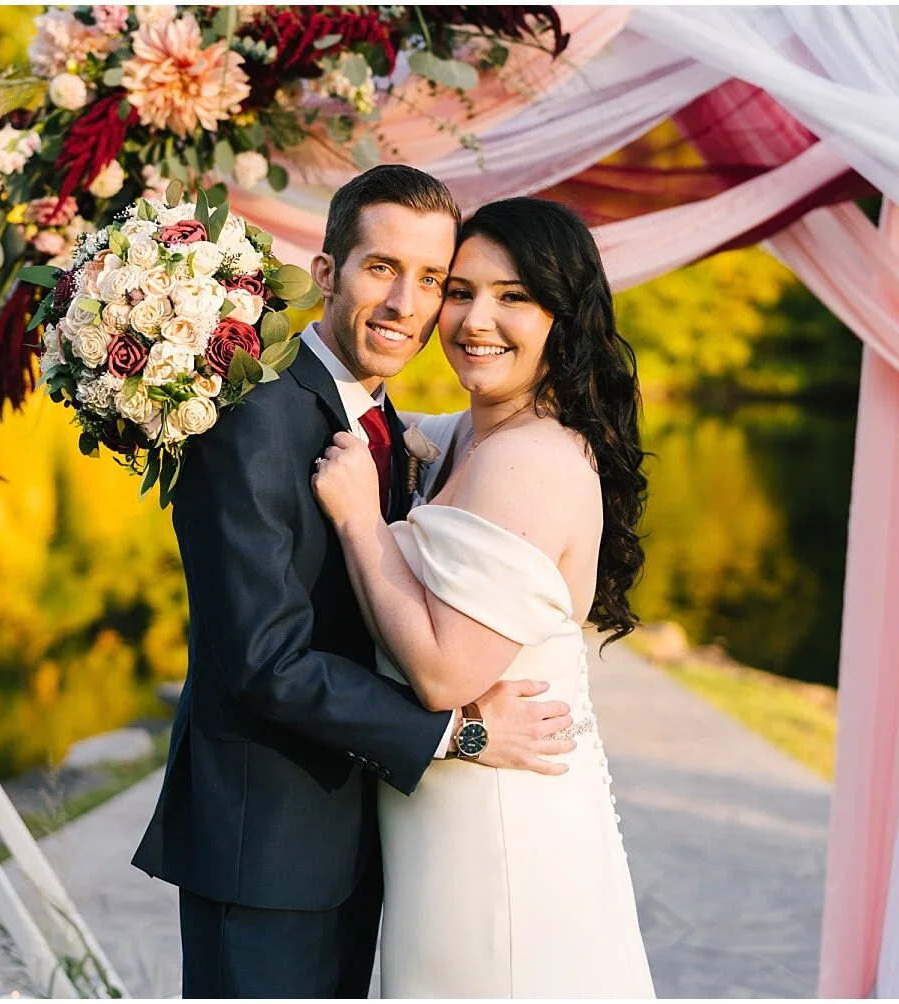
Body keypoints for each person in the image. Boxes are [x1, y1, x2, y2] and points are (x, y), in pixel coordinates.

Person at [130, 167, 577, 999]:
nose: (406, 304)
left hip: (358, 838)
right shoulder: (251, 418)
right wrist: (462, 734)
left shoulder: (386, 424)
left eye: (431, 280)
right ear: (328, 272)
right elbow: (265, 660)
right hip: (265, 846)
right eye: (381, 269)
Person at [312, 196, 656, 997]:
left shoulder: (530, 459)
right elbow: (356, 407)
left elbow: (443, 675)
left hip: (499, 838)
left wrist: (363, 521)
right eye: (459, 290)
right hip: (449, 823)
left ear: (562, 319)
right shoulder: (470, 434)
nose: (475, 320)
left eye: (514, 298)